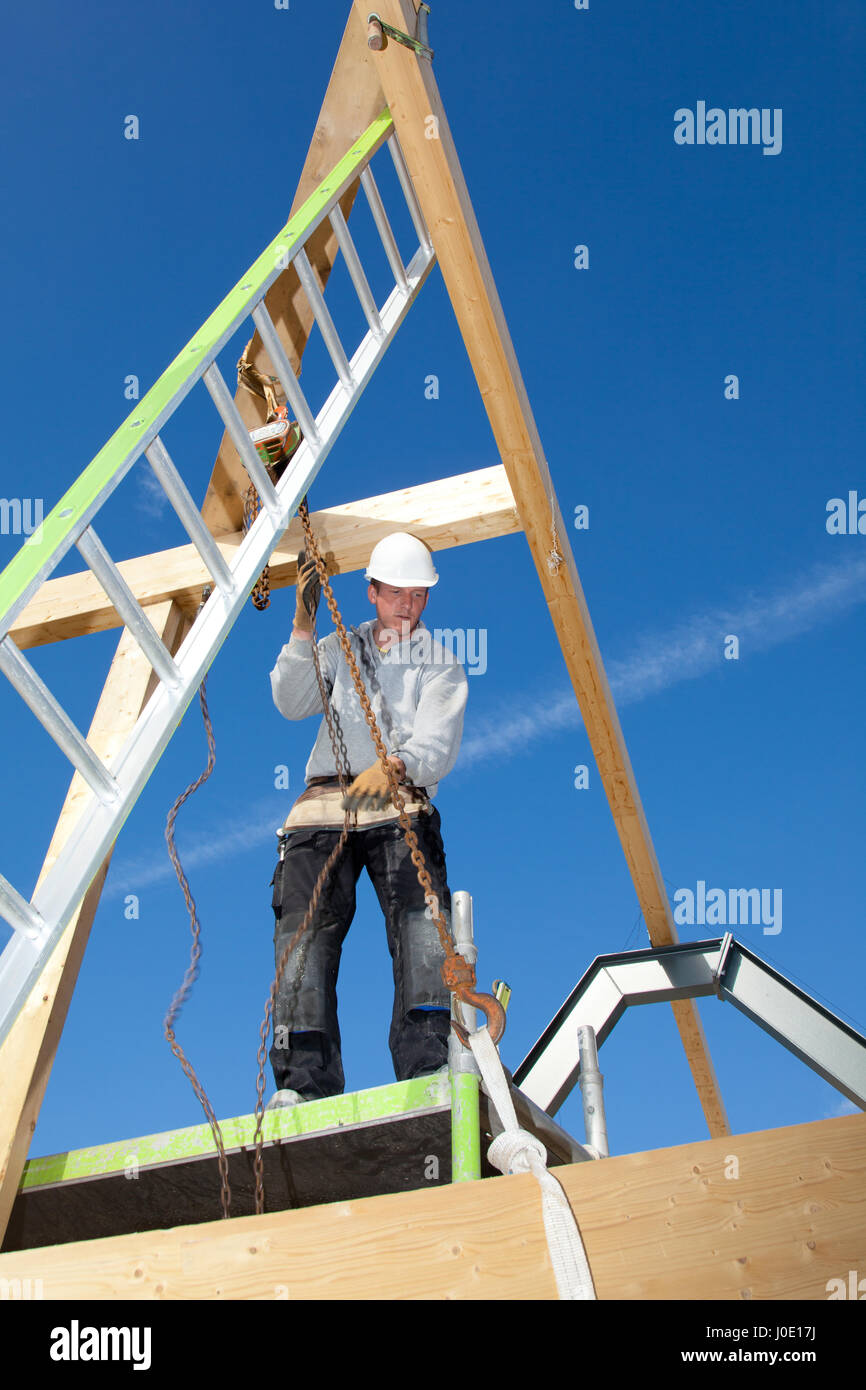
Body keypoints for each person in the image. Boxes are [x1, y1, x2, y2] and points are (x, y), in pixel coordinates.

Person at [266, 532, 468, 1105]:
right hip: (322, 809)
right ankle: (302, 1083)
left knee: (421, 928)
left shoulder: (440, 663)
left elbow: (439, 739)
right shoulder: (337, 647)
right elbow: (291, 701)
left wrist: (399, 764)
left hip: (398, 803)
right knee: (301, 937)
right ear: (372, 591)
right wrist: (302, 626)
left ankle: (429, 1069)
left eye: (419, 595)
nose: (408, 605)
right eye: (397, 592)